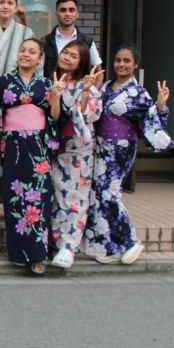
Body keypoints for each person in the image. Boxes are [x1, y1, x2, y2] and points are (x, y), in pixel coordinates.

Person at [82, 44, 174, 265]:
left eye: (126, 61)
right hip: (100, 146)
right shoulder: (105, 86)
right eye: (118, 60)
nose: (121, 64)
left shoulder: (139, 93)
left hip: (121, 148)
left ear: (135, 65)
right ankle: (107, 244)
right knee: (97, 194)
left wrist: (160, 106)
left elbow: (151, 119)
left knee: (109, 194)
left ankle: (131, 240)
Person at [0, 38, 58, 275]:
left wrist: (56, 96)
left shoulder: (46, 85)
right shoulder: (2, 83)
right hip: (12, 147)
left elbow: (55, 117)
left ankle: (38, 256)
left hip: (38, 148)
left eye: (32, 52)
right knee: (15, 200)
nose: (26, 54)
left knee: (39, 201)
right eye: (23, 50)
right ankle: (17, 254)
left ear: (39, 58)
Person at [48, 41, 104, 269]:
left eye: (74, 55)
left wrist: (85, 91)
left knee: (75, 197)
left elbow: (89, 115)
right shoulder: (54, 81)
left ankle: (68, 246)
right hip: (55, 147)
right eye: (65, 52)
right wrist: (55, 95)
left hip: (77, 149)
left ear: (81, 62)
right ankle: (55, 241)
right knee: (55, 196)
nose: (67, 58)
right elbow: (52, 116)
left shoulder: (87, 85)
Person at [41, 0, 102, 79]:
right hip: (51, 90)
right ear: (56, 14)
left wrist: (89, 91)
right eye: (63, 10)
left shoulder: (87, 41)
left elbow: (99, 72)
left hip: (79, 91)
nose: (67, 14)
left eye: (71, 10)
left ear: (77, 14)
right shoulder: (44, 42)